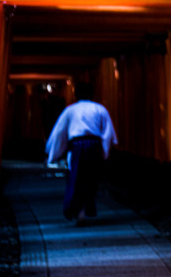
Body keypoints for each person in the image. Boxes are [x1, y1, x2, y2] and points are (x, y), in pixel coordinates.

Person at [45, 82, 118, 223]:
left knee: (76, 179)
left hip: (77, 146)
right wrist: (105, 151)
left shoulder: (70, 110)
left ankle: (77, 211)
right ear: (93, 93)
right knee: (91, 180)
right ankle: (85, 209)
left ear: (75, 94)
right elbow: (107, 133)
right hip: (94, 146)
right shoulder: (100, 109)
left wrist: (53, 154)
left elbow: (60, 132)